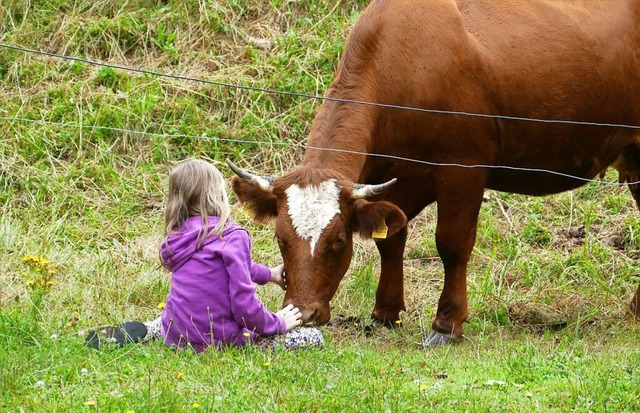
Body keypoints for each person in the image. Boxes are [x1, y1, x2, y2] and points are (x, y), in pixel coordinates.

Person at [86, 159, 323, 352]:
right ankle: (167, 330)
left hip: (179, 334)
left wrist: (269, 274)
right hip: (221, 340)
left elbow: (227, 268)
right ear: (218, 195)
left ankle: (155, 329)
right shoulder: (232, 236)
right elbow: (244, 307)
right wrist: (277, 322)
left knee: (174, 319)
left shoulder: (178, 236)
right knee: (311, 338)